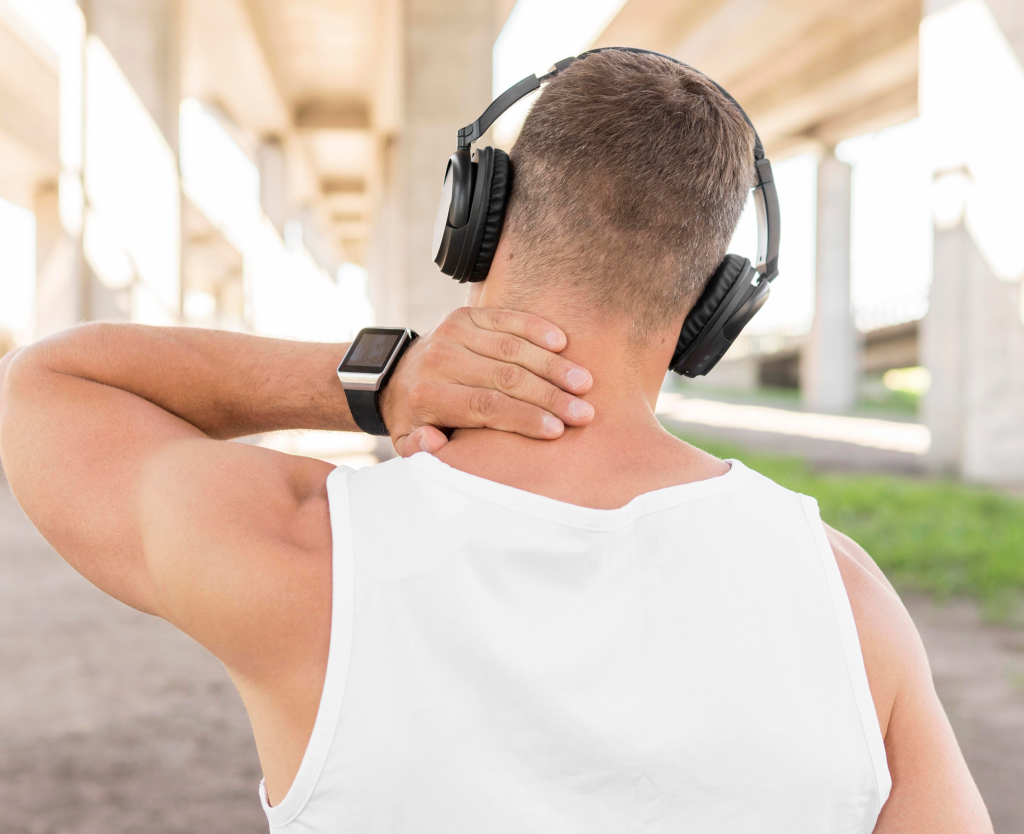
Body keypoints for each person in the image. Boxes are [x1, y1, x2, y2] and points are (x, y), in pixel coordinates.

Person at [0, 49, 991, 833]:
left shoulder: (310, 553)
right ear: (713, 307)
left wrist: (376, 375)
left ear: (476, 221)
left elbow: (51, 386)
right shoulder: (845, 599)